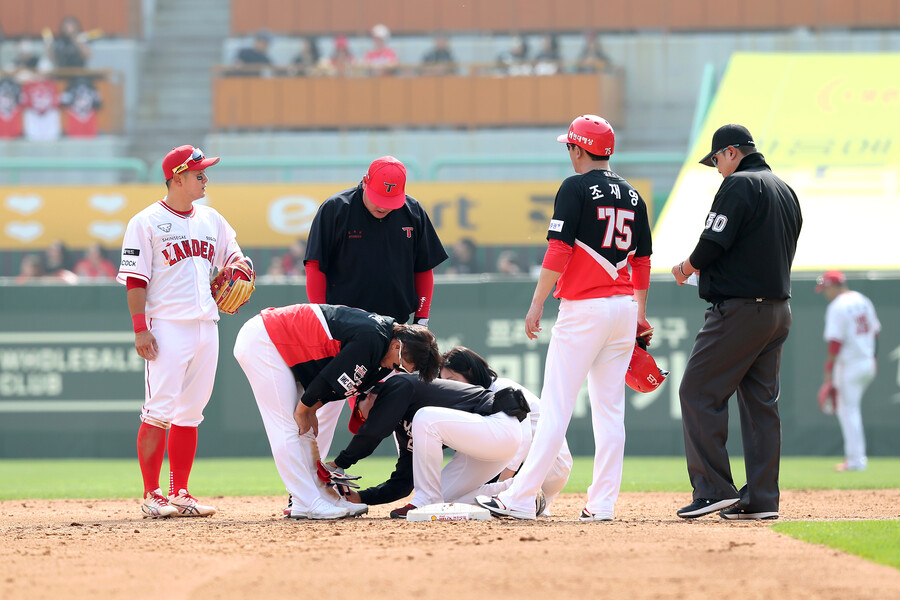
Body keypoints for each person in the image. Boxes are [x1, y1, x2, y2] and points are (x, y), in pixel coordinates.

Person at [477, 115, 654, 521]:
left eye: (570, 147)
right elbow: (642, 260)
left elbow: (559, 249)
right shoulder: (632, 194)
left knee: (556, 407)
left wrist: (536, 302)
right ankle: (602, 503)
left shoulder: (574, 187)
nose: (569, 154)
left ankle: (521, 498)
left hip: (584, 309)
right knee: (610, 412)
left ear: (578, 149)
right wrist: (641, 314)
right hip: (623, 307)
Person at [671, 124, 802, 521]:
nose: (717, 168)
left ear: (731, 151)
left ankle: (713, 490)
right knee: (761, 406)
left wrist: (685, 267)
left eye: (716, 159)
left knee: (697, 391)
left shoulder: (739, 184)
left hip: (741, 310)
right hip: (777, 310)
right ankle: (762, 499)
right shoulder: (784, 189)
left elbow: (712, 242)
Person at [117, 145, 250, 519]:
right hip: (166, 326)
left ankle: (180, 492)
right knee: (158, 410)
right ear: (177, 178)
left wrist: (240, 267)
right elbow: (136, 281)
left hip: (206, 325)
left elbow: (235, 257)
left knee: (190, 413)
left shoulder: (212, 219)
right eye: (199, 174)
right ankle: (151, 494)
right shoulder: (145, 221)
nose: (206, 179)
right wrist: (140, 329)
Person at [303, 155, 447, 476]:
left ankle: (416, 482)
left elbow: (424, 269)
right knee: (323, 407)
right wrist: (321, 317)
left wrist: (421, 319)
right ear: (366, 182)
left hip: (395, 333)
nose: (384, 206)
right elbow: (315, 267)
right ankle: (304, 487)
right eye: (379, 197)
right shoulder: (337, 209)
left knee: (404, 405)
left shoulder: (412, 211)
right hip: (342, 329)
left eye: (391, 200)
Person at [233, 304, 441, 519]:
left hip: (285, 347)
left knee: (304, 430)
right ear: (397, 345)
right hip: (266, 338)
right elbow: (330, 376)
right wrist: (305, 409)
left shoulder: (382, 348)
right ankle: (307, 502)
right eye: (400, 366)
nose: (396, 370)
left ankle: (321, 498)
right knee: (289, 426)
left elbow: (337, 384)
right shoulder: (372, 337)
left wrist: (310, 409)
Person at [324, 372, 530, 519]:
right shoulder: (406, 427)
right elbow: (404, 482)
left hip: (499, 425)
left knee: (425, 417)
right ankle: (517, 492)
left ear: (368, 394)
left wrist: (339, 463)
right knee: (445, 498)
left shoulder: (398, 384)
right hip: (485, 447)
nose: (364, 421)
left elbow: (373, 432)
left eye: (360, 415)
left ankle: (428, 499)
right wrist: (360, 497)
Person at [440, 347, 573, 515]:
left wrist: (503, 487)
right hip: (543, 468)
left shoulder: (501, 389)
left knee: (446, 500)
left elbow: (523, 439)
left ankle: (518, 493)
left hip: (549, 468)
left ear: (470, 372)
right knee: (447, 499)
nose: (450, 386)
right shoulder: (481, 395)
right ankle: (530, 500)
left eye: (452, 379)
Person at [815, 270, 880, 473]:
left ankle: (855, 460)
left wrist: (828, 371)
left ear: (833, 286)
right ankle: (856, 458)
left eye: (826, 288)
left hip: (850, 364)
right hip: (867, 361)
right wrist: (874, 357)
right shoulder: (863, 300)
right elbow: (875, 332)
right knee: (851, 409)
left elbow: (835, 342)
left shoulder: (837, 306)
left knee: (848, 411)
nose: (826, 293)